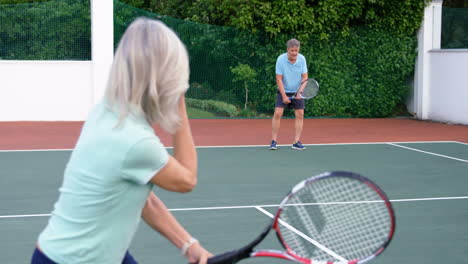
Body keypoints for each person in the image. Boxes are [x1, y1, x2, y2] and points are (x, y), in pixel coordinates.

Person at [31, 18, 212, 264]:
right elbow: (187, 180)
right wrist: (179, 101)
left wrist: (189, 246)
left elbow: (141, 196)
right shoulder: (136, 142)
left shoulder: (106, 111)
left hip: (60, 254)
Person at [270, 38, 308, 150]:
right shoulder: (280, 59)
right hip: (283, 90)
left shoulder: (302, 59)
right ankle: (273, 141)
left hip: (297, 90)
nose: (294, 53)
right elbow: (279, 79)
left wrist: (299, 92)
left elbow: (305, 77)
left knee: (300, 114)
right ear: (288, 50)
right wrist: (284, 96)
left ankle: (296, 142)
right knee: (278, 113)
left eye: (296, 50)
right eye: (292, 51)